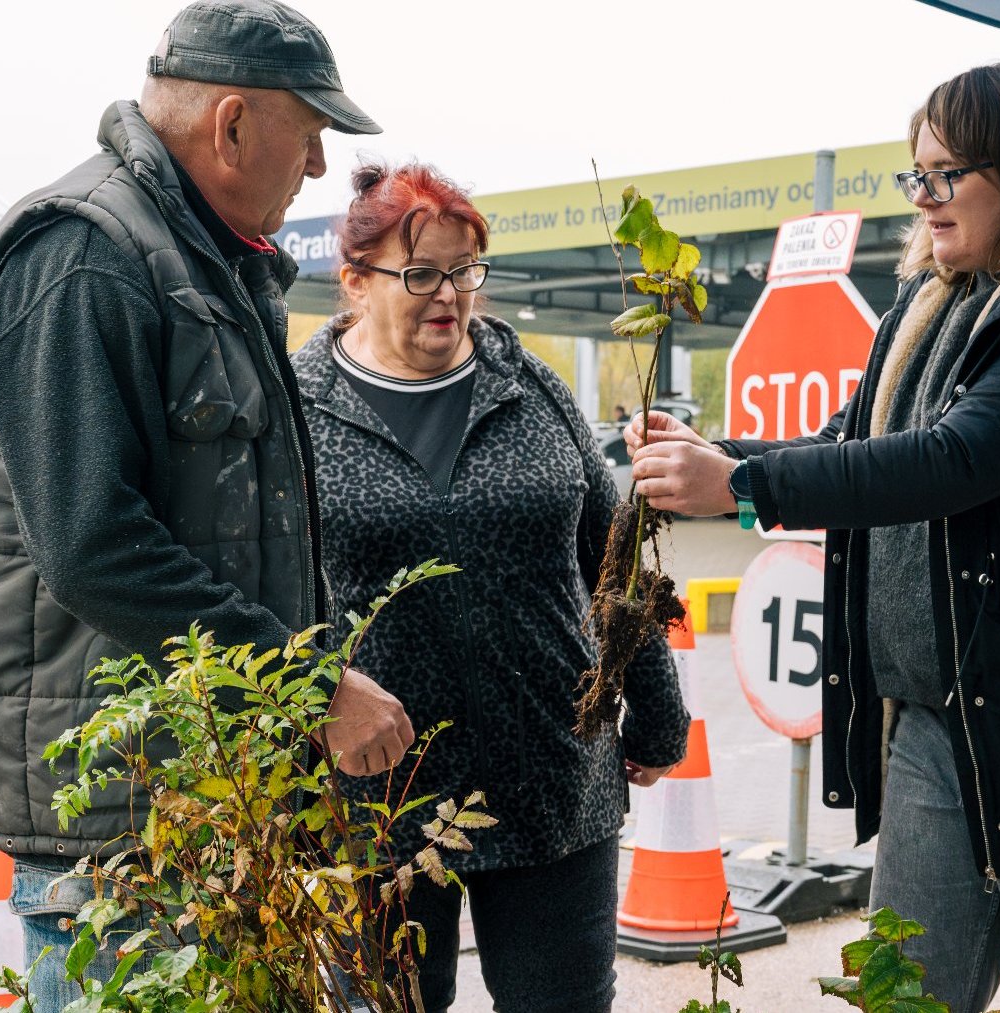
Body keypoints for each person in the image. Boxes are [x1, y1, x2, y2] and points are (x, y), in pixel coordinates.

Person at [628, 63, 1000, 1013]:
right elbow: (852, 444)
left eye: (947, 175)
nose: (926, 199)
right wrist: (720, 455)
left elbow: (958, 458)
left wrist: (740, 483)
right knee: (908, 997)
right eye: (917, 176)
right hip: (936, 721)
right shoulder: (931, 300)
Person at [0, 2, 415, 1003]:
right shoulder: (84, 256)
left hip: (197, 803)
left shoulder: (200, 259)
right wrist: (310, 685)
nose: (320, 166)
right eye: (310, 133)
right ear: (231, 124)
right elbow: (92, 544)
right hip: (117, 832)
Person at [292, 161, 691, 1013]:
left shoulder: (531, 386)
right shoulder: (297, 409)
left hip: (549, 776)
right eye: (422, 274)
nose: (450, 295)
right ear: (356, 282)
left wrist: (659, 715)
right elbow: (268, 588)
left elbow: (611, 559)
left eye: (465, 271)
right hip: (377, 796)